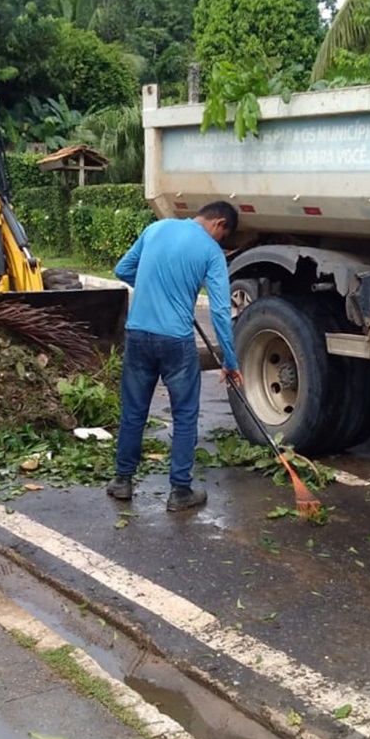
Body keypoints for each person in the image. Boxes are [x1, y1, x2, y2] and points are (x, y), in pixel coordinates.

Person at [105, 201, 243, 512]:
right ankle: (180, 491)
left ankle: (123, 481)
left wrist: (158, 289)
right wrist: (230, 362)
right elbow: (221, 311)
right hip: (176, 343)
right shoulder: (211, 251)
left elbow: (122, 269)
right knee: (184, 415)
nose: (219, 241)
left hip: (138, 334)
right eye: (223, 235)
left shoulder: (156, 228)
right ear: (219, 224)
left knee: (134, 410)